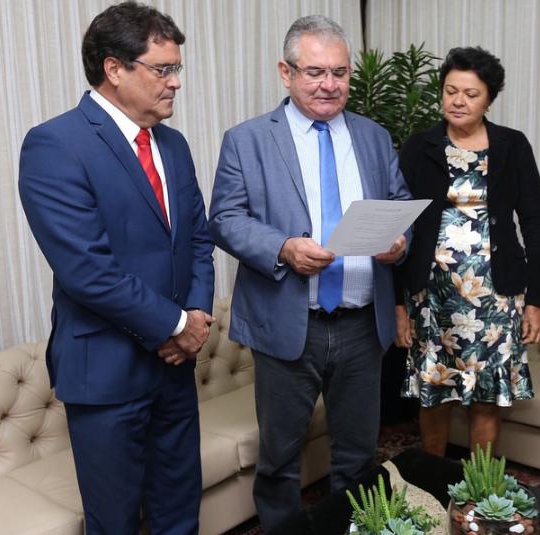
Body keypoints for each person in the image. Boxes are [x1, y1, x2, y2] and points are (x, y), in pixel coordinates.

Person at [17, 2, 215, 533]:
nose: (175, 82)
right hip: (106, 372)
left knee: (180, 513)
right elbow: (87, 270)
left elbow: (198, 239)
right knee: (116, 523)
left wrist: (196, 316)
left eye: (177, 68)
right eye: (163, 69)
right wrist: (176, 325)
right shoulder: (56, 144)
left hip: (175, 367)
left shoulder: (173, 145)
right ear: (114, 68)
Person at [208, 15, 411, 530]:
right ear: (286, 72)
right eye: (315, 72)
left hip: (362, 325)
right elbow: (225, 219)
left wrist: (399, 242)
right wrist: (282, 248)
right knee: (279, 459)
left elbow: (400, 203)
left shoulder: (374, 136)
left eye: (339, 73)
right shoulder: (247, 140)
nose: (329, 84)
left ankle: (354, 527)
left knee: (358, 454)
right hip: (287, 322)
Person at [395, 46, 540, 457]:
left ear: (489, 99)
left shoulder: (512, 145)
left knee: (487, 396)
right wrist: (398, 304)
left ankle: (479, 487)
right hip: (431, 297)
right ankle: (432, 480)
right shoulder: (418, 146)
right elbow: (397, 228)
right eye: (450, 91)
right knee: (434, 393)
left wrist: (537, 300)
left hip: (496, 296)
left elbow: (535, 224)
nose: (458, 101)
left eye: (471, 93)